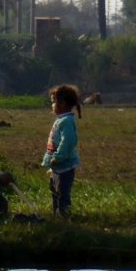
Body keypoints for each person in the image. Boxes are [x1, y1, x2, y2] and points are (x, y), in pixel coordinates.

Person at [41, 84, 81, 218]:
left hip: (64, 164)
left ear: (62, 103)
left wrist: (58, 157)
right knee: (55, 191)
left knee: (62, 193)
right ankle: (56, 215)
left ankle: (64, 216)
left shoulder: (66, 121)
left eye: (53, 102)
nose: (52, 105)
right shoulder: (62, 120)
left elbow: (68, 141)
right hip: (57, 166)